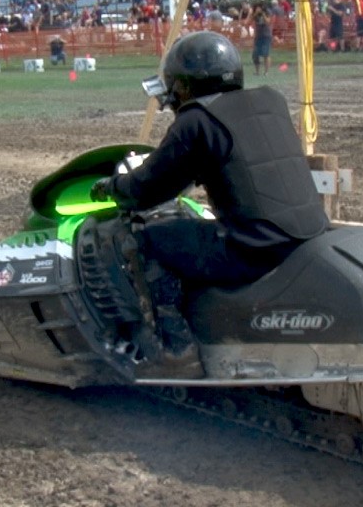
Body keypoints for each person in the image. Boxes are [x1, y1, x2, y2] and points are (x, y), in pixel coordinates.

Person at [90, 31, 330, 372]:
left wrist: (111, 187)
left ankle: (176, 349)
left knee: (145, 239)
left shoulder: (196, 121)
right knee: (194, 229)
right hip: (305, 232)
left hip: (254, 247)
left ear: (184, 87)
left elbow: (145, 191)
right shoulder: (271, 102)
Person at [250, 1, 272, 74]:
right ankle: (257, 71)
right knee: (255, 55)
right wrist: (256, 13)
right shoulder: (254, 13)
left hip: (266, 36)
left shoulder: (267, 12)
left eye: (259, 8)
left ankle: (266, 71)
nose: (258, 9)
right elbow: (249, 20)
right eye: (257, 8)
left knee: (266, 54)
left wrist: (263, 14)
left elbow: (268, 21)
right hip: (258, 36)